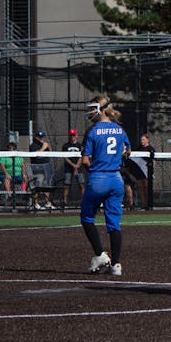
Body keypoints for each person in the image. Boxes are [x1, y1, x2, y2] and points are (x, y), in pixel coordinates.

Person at [80, 96, 131, 276]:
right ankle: (116, 265)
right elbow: (128, 151)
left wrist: (93, 169)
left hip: (98, 178)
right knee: (114, 224)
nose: (91, 112)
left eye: (93, 108)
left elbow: (85, 160)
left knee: (86, 218)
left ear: (101, 110)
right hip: (116, 179)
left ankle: (100, 254)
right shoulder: (120, 129)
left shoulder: (92, 131)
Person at [29, 130, 53, 209]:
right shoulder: (33, 145)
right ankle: (35, 204)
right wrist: (43, 148)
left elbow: (51, 152)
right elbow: (37, 156)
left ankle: (48, 203)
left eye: (42, 137)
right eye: (39, 137)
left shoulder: (44, 144)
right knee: (37, 185)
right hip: (37, 169)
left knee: (47, 185)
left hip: (46, 168)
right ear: (36, 137)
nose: (41, 139)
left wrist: (48, 146)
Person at [61, 128, 85, 207]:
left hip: (79, 168)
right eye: (71, 135)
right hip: (68, 168)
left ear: (76, 136)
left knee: (81, 184)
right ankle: (65, 202)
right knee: (66, 185)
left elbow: (82, 157)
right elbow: (65, 158)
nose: (72, 137)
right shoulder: (65, 146)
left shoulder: (79, 146)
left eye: (74, 135)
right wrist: (73, 165)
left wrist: (77, 166)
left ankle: (84, 202)